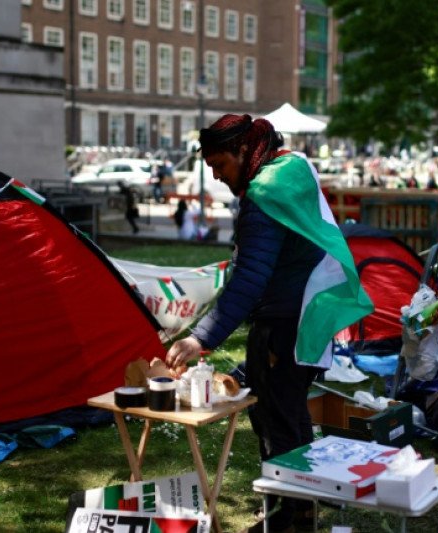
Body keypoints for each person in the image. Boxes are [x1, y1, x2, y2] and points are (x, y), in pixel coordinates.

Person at [165, 114, 372, 533]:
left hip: (286, 321)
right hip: (311, 312)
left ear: (243, 150)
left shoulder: (264, 195)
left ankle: (284, 521)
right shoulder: (292, 165)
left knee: (278, 422)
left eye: (220, 165)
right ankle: (299, 515)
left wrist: (199, 340)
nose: (219, 176)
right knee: (291, 414)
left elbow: (252, 276)